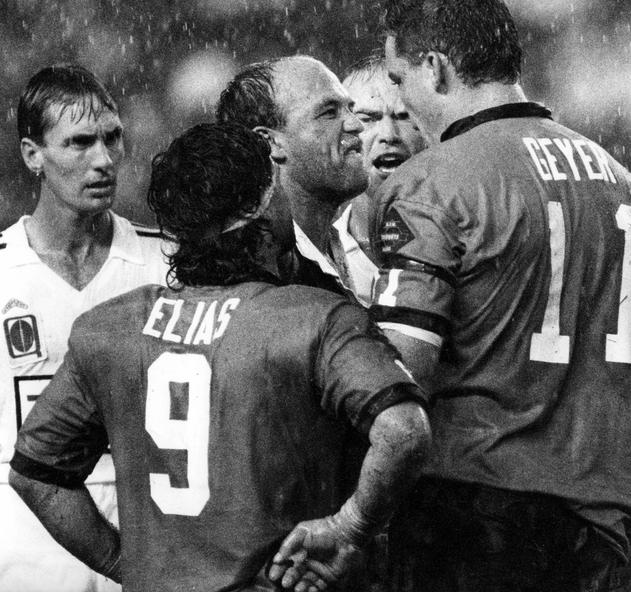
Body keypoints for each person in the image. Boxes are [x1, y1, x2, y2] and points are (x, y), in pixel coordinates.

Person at [8, 121, 431, 592]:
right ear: (259, 205)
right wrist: (350, 528)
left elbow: (35, 475)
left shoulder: (107, 330)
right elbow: (403, 432)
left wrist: (127, 565)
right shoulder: (317, 319)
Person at [368, 1, 631, 591]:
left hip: (466, 522)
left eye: (399, 80)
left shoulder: (432, 180)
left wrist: (354, 516)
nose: (400, 106)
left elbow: (400, 372)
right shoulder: (623, 184)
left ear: (436, 68)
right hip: (596, 534)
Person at [0, 64, 168, 592]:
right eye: (79, 143)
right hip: (25, 554)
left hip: (148, 535)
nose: (103, 160)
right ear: (33, 155)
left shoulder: (166, 264)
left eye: (112, 138)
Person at [216, 56, 368, 299]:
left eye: (349, 108)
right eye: (330, 113)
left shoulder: (361, 250)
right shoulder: (255, 271)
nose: (356, 124)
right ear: (269, 142)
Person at [338, 54, 426, 306]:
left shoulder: (463, 244)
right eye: (367, 118)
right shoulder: (316, 252)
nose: (389, 134)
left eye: (403, 116)